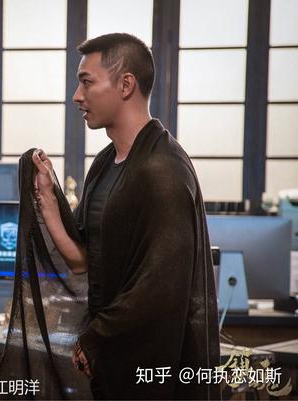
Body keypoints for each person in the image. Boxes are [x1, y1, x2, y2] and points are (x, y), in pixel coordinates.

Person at [32, 33, 220, 400]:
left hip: (153, 369)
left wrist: (96, 336)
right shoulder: (105, 163)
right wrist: (48, 197)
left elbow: (160, 284)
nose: (77, 96)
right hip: (114, 361)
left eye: (87, 82)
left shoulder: (163, 168)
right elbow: (82, 260)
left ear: (125, 85)